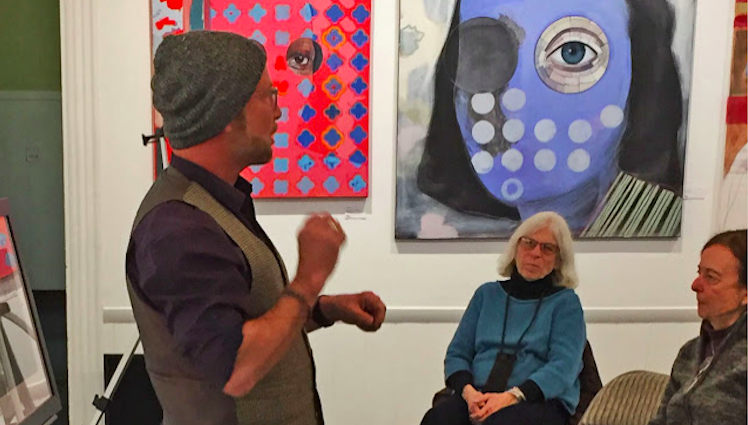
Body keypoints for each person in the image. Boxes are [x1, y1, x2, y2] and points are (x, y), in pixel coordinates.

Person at [125, 31, 386, 425]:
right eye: (268, 96)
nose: (279, 111)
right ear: (228, 115)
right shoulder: (178, 228)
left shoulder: (215, 205)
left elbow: (248, 321)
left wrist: (327, 308)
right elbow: (236, 368)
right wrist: (310, 277)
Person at [421, 211, 586, 425]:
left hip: (538, 401)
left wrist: (512, 396)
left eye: (547, 248)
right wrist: (469, 393)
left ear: (558, 260)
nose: (535, 253)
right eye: (528, 243)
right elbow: (457, 354)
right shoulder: (486, 295)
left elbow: (564, 368)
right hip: (478, 394)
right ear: (516, 248)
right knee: (438, 419)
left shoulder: (566, 303)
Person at [647, 229, 747, 425]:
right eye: (699, 273)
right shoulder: (689, 352)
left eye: (711, 277)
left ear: (745, 294)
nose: (695, 285)